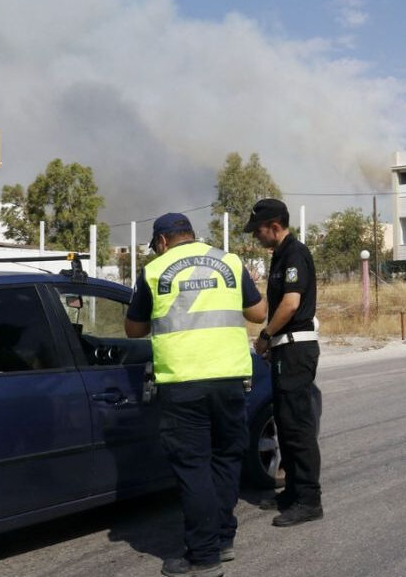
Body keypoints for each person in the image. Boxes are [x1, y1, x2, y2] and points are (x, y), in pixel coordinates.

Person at [125, 213, 266, 577]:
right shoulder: (229, 261)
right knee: (225, 458)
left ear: (161, 241)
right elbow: (258, 312)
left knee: (193, 466)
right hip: (230, 377)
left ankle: (203, 557)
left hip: (183, 380)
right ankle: (223, 539)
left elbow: (133, 329)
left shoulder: (155, 270)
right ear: (192, 235)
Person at [243, 198, 323, 527]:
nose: (256, 237)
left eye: (258, 230)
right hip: (283, 350)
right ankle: (291, 492)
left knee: (298, 428)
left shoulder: (295, 253)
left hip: (296, 350)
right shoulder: (280, 255)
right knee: (285, 425)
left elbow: (291, 304)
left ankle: (309, 499)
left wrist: (265, 335)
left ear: (275, 226)